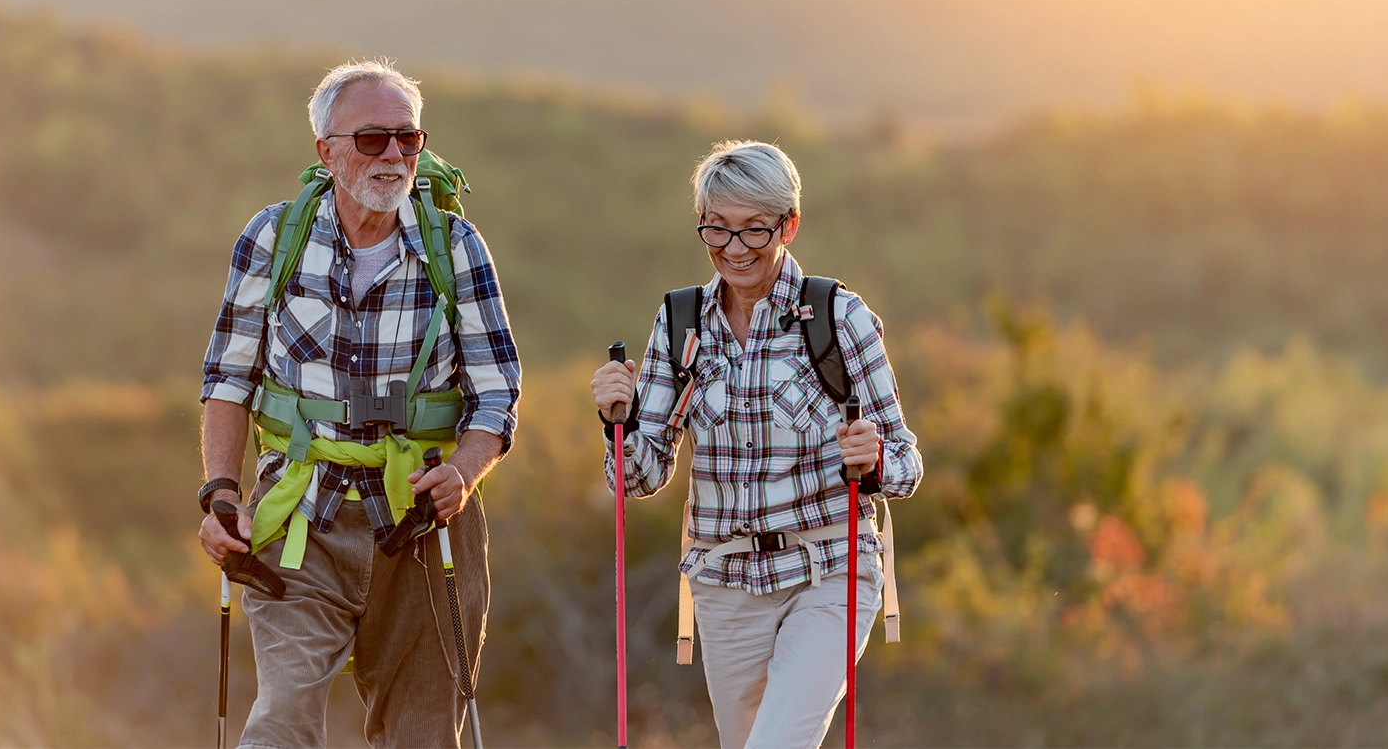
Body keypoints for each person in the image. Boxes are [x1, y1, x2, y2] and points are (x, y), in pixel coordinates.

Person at [195, 61, 520, 748]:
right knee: (280, 722)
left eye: (409, 138)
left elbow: (496, 393)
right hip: (298, 519)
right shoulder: (272, 238)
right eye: (374, 139)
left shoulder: (455, 248)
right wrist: (221, 493)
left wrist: (462, 473)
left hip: (424, 526)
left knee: (422, 736)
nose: (396, 155)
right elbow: (228, 378)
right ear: (327, 151)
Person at [591, 140, 923, 749]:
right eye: (716, 231)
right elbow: (640, 479)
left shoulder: (838, 318)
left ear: (788, 226)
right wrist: (618, 418)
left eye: (753, 231)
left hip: (828, 570)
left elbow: (906, 464)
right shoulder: (680, 322)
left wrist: (872, 459)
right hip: (723, 582)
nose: (734, 250)